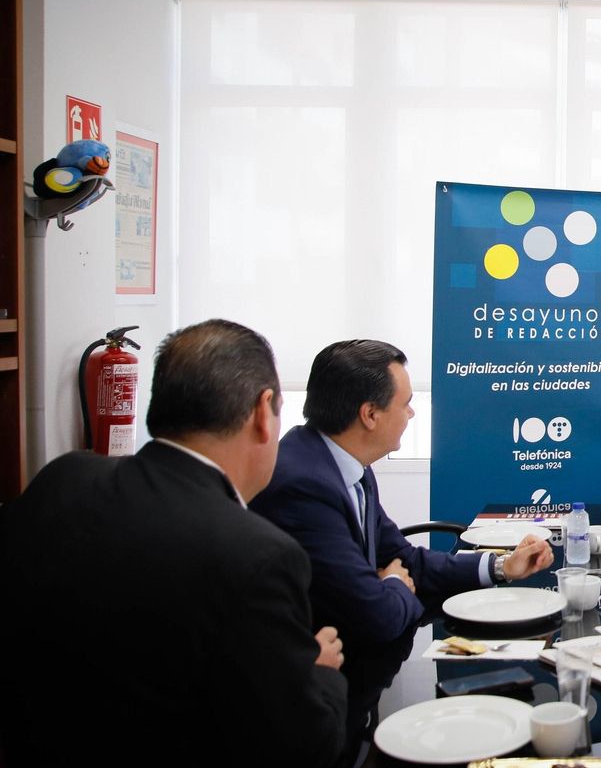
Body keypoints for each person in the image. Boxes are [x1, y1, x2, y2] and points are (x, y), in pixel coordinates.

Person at [0, 319, 348, 767]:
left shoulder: (62, 478)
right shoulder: (257, 554)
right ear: (264, 412)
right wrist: (318, 672)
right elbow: (305, 748)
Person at [254, 340, 555, 653]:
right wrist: (395, 583)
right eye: (405, 404)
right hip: (323, 675)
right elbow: (376, 617)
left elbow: (405, 559)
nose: (411, 413)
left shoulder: (348, 463)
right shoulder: (305, 486)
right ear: (370, 414)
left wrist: (503, 566)